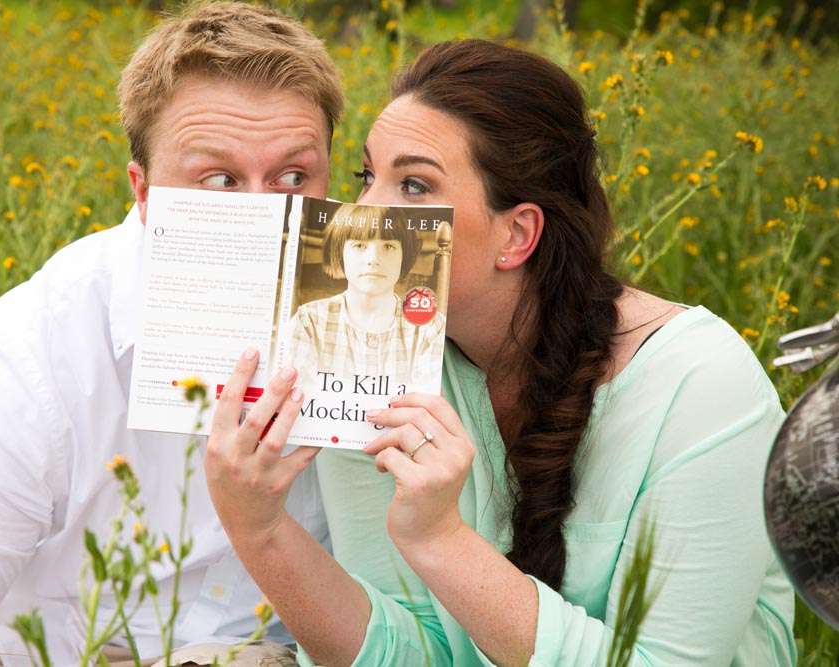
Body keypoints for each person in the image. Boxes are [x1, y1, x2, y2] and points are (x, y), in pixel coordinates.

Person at [204, 39, 797, 666]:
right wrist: (260, 529)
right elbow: (400, 654)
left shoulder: (701, 387)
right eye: (365, 177)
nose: (364, 212)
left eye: (413, 184)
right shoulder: (373, 363)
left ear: (517, 234)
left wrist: (441, 539)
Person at [0, 3, 343, 666]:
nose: (262, 216)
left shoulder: (373, 316)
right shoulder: (31, 358)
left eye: (293, 177)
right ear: (142, 192)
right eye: (218, 180)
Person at [287, 202, 445, 391]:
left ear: (405, 255)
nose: (373, 259)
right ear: (339, 252)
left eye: (388, 246)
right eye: (359, 245)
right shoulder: (309, 321)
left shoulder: (429, 327)